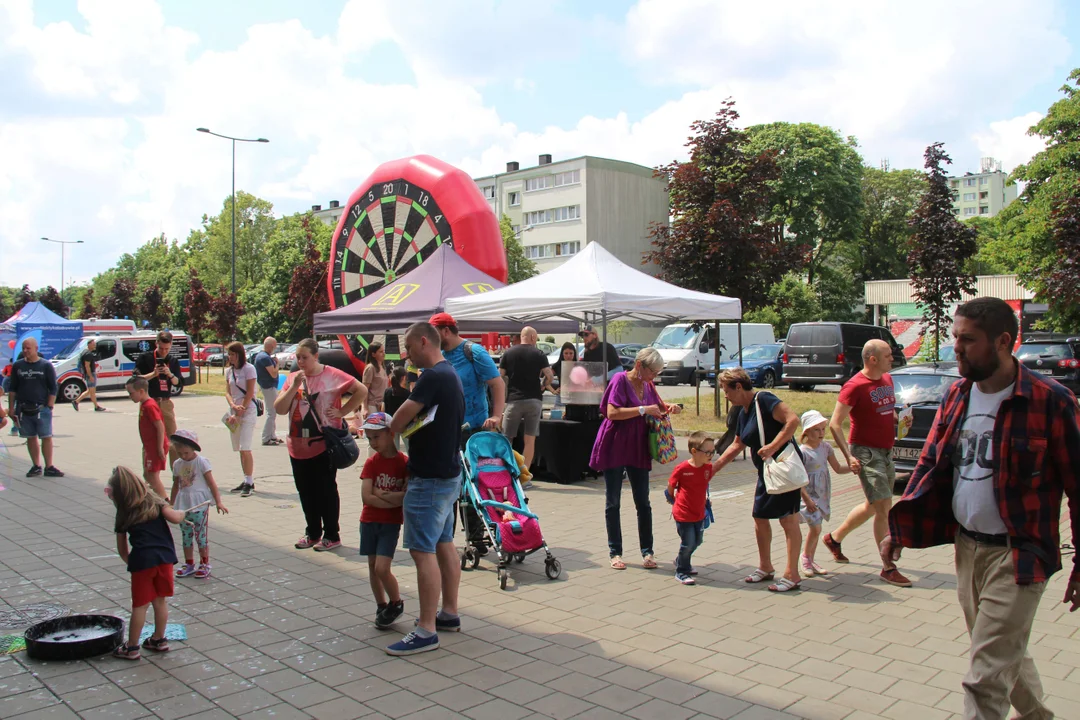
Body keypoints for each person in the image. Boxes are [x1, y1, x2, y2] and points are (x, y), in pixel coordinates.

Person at [882, 298, 1080, 720]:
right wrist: (898, 529)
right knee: (1004, 652)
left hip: (1021, 554)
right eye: (955, 337)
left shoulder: (1051, 401)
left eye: (968, 339)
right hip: (968, 550)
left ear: (1004, 341)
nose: (956, 347)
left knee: (984, 678)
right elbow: (930, 463)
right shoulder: (957, 394)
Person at [386, 322, 465, 656]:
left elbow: (400, 417)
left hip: (430, 479)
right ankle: (448, 613)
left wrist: (385, 434)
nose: (406, 353)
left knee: (422, 551)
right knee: (444, 543)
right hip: (447, 474)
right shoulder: (450, 374)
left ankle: (425, 629)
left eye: (408, 345)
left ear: (423, 341)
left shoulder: (432, 376)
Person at [821, 339, 911, 588]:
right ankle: (888, 567)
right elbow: (835, 423)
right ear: (872, 359)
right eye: (887, 355)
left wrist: (900, 421)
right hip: (866, 453)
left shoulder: (887, 380)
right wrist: (848, 457)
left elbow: (886, 410)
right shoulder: (854, 386)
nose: (892, 358)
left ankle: (834, 538)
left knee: (873, 506)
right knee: (884, 507)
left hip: (886, 450)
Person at [712, 367, 804, 592]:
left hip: (782, 469)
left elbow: (793, 420)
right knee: (760, 517)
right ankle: (766, 566)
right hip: (766, 473)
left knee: (788, 520)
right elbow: (737, 444)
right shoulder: (742, 411)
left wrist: (772, 446)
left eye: (726, 390)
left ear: (739, 387)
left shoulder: (764, 400)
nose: (725, 395)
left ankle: (792, 574)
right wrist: (712, 470)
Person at [590, 347, 680, 571]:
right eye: (653, 371)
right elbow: (611, 412)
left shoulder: (648, 384)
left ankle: (647, 551)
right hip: (616, 443)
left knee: (643, 502)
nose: (655, 377)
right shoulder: (620, 380)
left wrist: (670, 408)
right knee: (613, 501)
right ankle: (615, 552)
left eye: (658, 373)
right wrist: (642, 409)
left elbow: (657, 408)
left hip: (638, 446)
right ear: (639, 365)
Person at [274, 338, 368, 552]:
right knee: (305, 491)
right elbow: (280, 409)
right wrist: (293, 387)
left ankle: (332, 534)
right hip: (296, 445)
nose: (301, 362)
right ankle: (312, 531)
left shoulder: (332, 375)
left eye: (305, 357)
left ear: (316, 356)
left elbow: (361, 390)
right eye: (298, 358)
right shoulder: (293, 379)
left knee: (325, 490)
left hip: (323, 445)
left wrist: (343, 412)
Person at [429, 312, 503, 552]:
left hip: (472, 430)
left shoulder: (474, 352)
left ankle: (477, 538)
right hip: (445, 430)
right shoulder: (437, 355)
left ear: (446, 331)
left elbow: (497, 384)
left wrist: (497, 416)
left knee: (471, 486)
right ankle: (445, 540)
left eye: (434, 332)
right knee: (447, 486)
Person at [106, 466, 187, 660]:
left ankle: (132, 647)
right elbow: (175, 518)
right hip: (165, 559)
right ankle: (159, 639)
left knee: (140, 606)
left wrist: (131, 562)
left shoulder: (124, 513)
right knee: (160, 602)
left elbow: (122, 549)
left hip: (142, 562)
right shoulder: (157, 502)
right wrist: (183, 513)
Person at [359, 412, 407, 630]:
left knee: (382, 567)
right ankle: (381, 604)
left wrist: (382, 495)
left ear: (391, 434)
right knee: (372, 566)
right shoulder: (371, 462)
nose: (373, 443)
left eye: (376, 437)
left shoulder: (403, 463)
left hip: (390, 524)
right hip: (369, 521)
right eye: (369, 438)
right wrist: (392, 499)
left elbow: (404, 498)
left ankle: (396, 602)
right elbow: (366, 497)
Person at [797, 410, 850, 578]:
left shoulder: (826, 448)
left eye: (822, 429)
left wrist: (854, 467)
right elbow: (798, 479)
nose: (821, 433)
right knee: (816, 528)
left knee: (817, 529)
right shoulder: (802, 452)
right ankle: (805, 558)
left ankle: (811, 560)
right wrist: (806, 498)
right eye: (816, 430)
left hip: (822, 495)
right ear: (806, 431)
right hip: (808, 495)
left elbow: (838, 468)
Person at [170, 429, 228, 580]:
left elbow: (211, 483)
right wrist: (171, 504)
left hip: (199, 504)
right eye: (180, 453)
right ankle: (189, 563)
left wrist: (219, 501)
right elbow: (175, 485)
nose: (183, 456)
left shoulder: (201, 462)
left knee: (200, 535)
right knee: (186, 535)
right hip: (184, 504)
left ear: (193, 448)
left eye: (186, 453)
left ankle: (205, 563)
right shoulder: (177, 464)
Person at [499, 327, 556, 472]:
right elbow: (549, 376)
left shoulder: (508, 353)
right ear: (531, 337)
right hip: (534, 400)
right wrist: (543, 385)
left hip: (513, 400)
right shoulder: (539, 353)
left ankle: (505, 473)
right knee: (529, 440)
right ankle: (524, 476)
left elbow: (500, 377)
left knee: (506, 438)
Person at [8, 337, 63, 477]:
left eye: (28, 348)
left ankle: (49, 466)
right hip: (24, 408)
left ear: (36, 349)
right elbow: (13, 388)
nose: (25, 351)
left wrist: (50, 404)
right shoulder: (18, 366)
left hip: (41, 408)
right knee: (30, 437)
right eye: (23, 348)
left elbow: (53, 387)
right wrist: (11, 408)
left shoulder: (45, 365)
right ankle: (36, 465)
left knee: (46, 436)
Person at [665, 431, 714, 585]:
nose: (711, 455)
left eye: (713, 451)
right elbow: (670, 486)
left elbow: (703, 485)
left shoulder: (708, 468)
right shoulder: (682, 468)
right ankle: (682, 571)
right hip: (683, 513)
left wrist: (706, 500)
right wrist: (673, 499)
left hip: (699, 512)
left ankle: (681, 560)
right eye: (707, 452)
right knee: (688, 542)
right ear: (694, 451)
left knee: (697, 541)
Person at [134, 331, 183, 477]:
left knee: (173, 440)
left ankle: (177, 475)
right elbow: (136, 379)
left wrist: (170, 374)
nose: (164, 352)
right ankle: (149, 476)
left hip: (166, 402)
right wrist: (153, 374)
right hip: (150, 402)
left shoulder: (173, 361)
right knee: (149, 440)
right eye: (161, 348)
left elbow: (179, 382)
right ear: (156, 344)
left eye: (167, 349)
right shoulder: (145, 358)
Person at [223, 342, 258, 497]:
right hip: (234, 412)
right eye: (228, 354)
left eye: (232, 354)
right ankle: (245, 479)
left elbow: (250, 391)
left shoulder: (249, 369)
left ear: (239, 354)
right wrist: (232, 405)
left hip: (247, 410)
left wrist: (241, 409)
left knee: (245, 447)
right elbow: (227, 392)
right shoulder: (229, 371)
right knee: (238, 448)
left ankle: (250, 482)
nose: (229, 357)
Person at [126, 377, 169, 499]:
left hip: (156, 446)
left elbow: (160, 426)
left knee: (153, 476)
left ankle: (165, 502)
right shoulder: (143, 404)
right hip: (149, 446)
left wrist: (160, 447)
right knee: (147, 474)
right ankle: (154, 499)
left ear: (141, 391)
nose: (130, 396)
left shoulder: (150, 405)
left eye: (131, 393)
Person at [253, 337, 283, 446]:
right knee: (271, 413)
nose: (275, 348)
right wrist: (277, 364)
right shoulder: (264, 358)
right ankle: (266, 437)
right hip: (269, 387)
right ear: (270, 346)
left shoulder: (261, 356)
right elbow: (273, 373)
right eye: (274, 346)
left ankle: (272, 435)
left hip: (268, 386)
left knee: (273, 412)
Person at [73, 338, 105, 412]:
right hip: (89, 374)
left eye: (95, 344)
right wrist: (90, 376)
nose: (95, 346)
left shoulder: (85, 352)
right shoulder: (88, 354)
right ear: (89, 345)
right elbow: (87, 366)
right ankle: (95, 406)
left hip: (89, 373)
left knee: (90, 391)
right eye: (93, 344)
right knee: (92, 391)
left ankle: (78, 402)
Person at [384, 367, 410, 451]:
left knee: (394, 449)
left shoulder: (387, 391)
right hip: (404, 425)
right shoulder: (406, 393)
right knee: (409, 448)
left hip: (391, 423)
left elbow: (383, 408)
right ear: (403, 378)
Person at [363, 342, 389, 415]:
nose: (383, 353)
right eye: (380, 352)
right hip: (372, 406)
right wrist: (365, 408)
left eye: (384, 351)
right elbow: (365, 389)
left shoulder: (383, 367)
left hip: (382, 405)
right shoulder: (370, 368)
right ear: (373, 354)